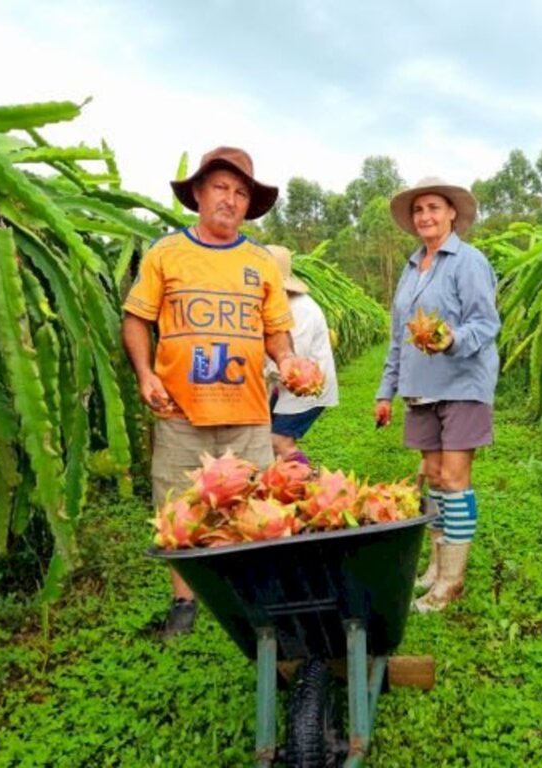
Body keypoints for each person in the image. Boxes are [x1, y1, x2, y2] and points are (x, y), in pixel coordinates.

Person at [122, 146, 309, 638]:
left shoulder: (261, 262)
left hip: (247, 412)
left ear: (249, 204)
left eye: (241, 192)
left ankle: (255, 596)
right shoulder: (165, 253)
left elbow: (275, 331)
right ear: (199, 195)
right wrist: (146, 373)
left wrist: (287, 359)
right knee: (178, 509)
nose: (230, 199)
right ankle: (185, 603)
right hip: (181, 411)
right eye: (221, 188)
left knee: (255, 504)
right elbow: (137, 318)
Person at [374, 177, 500, 613]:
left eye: (433, 208)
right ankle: (435, 563)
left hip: (463, 384)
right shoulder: (412, 269)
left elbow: (486, 324)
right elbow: (397, 337)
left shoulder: (468, 262)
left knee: (453, 477)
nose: (425, 216)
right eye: (418, 210)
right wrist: (385, 390)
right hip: (419, 388)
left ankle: (452, 580)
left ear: (451, 214)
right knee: (430, 472)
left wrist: (451, 340)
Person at [264, 245, 339, 463]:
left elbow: (296, 366)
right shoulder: (276, 305)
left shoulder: (301, 309)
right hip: (283, 388)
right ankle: (284, 487)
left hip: (308, 390)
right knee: (266, 443)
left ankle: (312, 483)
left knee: (278, 441)